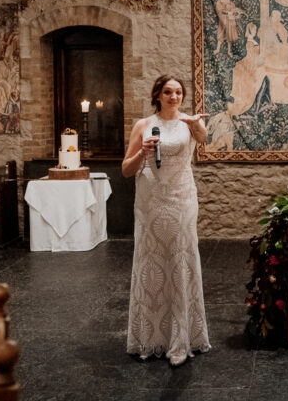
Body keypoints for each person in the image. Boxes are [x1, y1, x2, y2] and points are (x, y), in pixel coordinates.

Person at [121, 75, 211, 366]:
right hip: (151, 200)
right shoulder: (143, 125)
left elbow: (204, 138)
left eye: (178, 92)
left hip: (182, 198)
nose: (174, 97)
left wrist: (196, 123)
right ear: (157, 95)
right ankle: (152, 336)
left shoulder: (189, 122)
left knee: (181, 260)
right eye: (168, 92)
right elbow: (125, 169)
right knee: (152, 262)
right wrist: (143, 153)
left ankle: (182, 339)